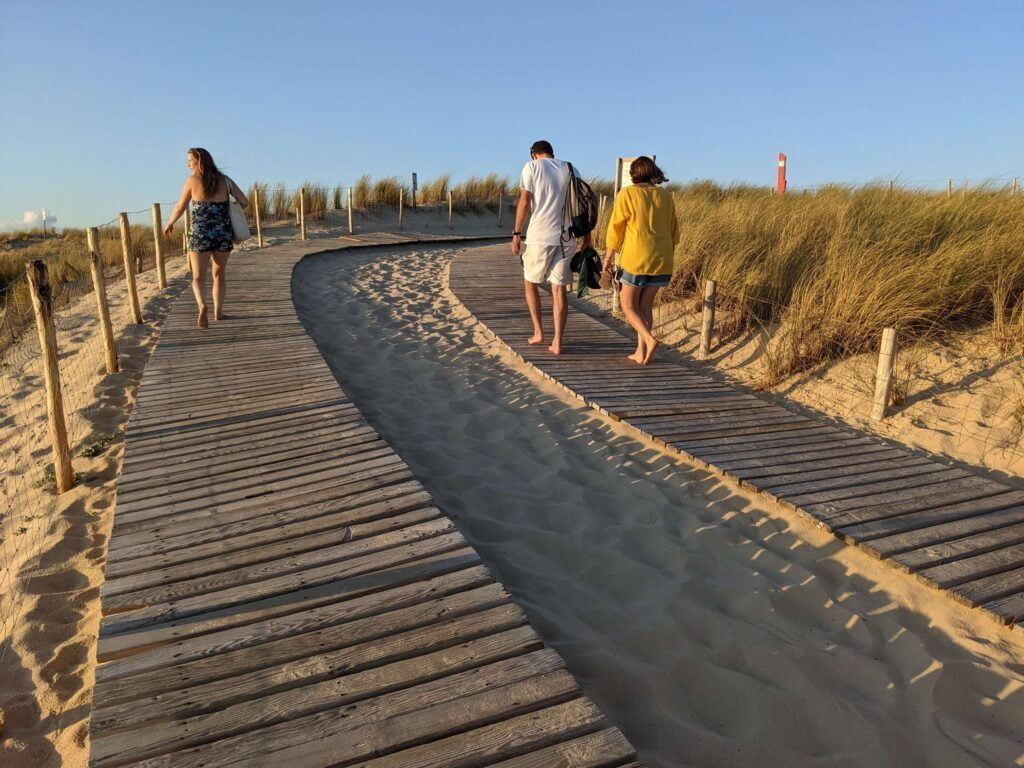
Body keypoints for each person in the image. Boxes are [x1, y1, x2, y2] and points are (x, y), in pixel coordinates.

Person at [511, 140, 592, 355]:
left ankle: (538, 332)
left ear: (533, 154)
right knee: (559, 290)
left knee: (530, 282)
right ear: (552, 153)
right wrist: (588, 238)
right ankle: (557, 341)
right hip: (567, 238)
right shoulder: (570, 168)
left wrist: (516, 233)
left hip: (540, 236)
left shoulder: (532, 167)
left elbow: (525, 202)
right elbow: (581, 207)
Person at [602, 157, 679, 365]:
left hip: (636, 257)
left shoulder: (627, 193)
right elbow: (674, 231)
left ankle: (649, 339)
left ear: (633, 173)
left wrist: (608, 258)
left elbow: (616, 229)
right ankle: (640, 352)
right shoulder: (665, 196)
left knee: (627, 305)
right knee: (645, 307)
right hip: (662, 258)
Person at [164, 147, 248, 328]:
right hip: (222, 233)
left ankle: (202, 306)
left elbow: (180, 207)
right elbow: (244, 201)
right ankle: (218, 312)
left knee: (198, 276)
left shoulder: (192, 181)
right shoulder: (225, 181)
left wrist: (170, 223)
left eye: (190, 161)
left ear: (199, 163)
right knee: (219, 274)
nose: (187, 164)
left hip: (200, 233)